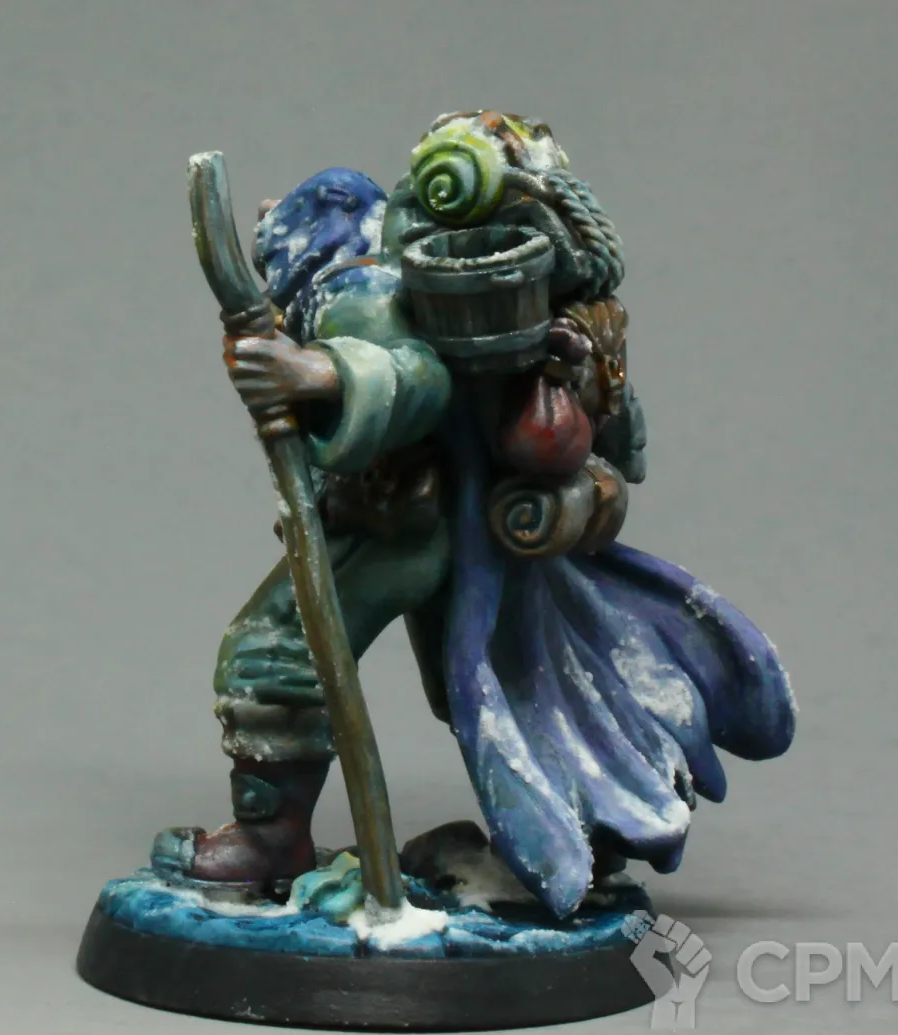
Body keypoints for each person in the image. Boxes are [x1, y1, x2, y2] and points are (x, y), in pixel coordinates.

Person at [152, 112, 796, 919]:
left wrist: (317, 375)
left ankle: (269, 837)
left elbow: (412, 376)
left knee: (273, 649)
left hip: (401, 524)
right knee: (495, 687)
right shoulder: (420, 278)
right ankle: (582, 831)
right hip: (442, 519)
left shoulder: (356, 288)